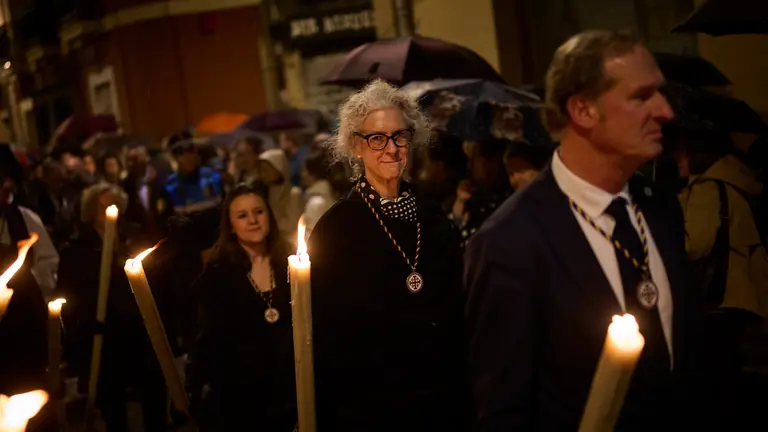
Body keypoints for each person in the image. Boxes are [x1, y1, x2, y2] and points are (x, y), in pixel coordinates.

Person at [465, 30, 689, 430]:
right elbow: (501, 407)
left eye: (660, 93)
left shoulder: (661, 208)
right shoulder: (511, 241)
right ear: (583, 111)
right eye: (641, 96)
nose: (664, 111)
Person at [309, 79, 468, 431]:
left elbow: (456, 305)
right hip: (373, 403)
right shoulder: (336, 228)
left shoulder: (433, 216)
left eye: (400, 136)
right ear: (355, 146)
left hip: (440, 397)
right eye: (377, 138)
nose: (391, 149)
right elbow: (328, 333)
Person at [57, 182, 168, 432]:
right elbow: (73, 293)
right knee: (112, 402)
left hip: (138, 331)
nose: (110, 210)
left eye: (114, 205)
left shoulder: (134, 239)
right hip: (105, 334)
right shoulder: (78, 250)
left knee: (153, 390)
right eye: (103, 206)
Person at [189, 182, 296, 431]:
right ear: (231, 227)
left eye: (259, 211)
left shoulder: (292, 262)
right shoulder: (218, 274)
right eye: (242, 215)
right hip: (240, 394)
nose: (253, 220)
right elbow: (207, 337)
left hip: (289, 388)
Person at [259, 149, 303, 238]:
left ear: (279, 169)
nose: (263, 174)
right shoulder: (267, 191)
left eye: (267, 170)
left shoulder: (294, 193)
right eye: (261, 170)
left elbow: (291, 224)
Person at [301, 148, 335, 237]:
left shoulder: (316, 202)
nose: (302, 174)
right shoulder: (326, 195)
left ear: (312, 173)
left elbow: (312, 237)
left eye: (304, 170)